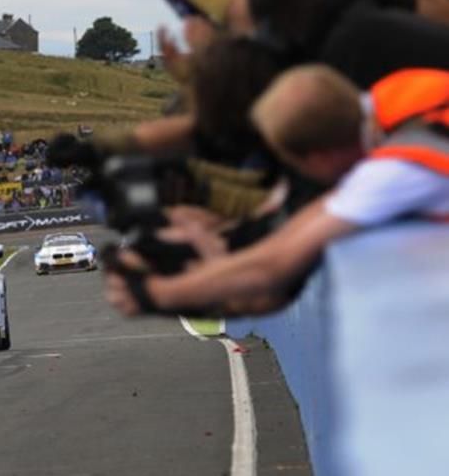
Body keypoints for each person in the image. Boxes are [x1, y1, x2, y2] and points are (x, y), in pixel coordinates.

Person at [104, 65, 449, 317]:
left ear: (319, 157)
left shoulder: (397, 171)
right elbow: (297, 221)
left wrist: (158, 293)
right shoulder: (399, 95)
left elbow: (275, 264)